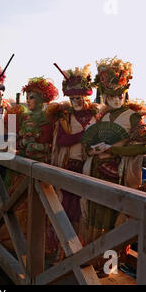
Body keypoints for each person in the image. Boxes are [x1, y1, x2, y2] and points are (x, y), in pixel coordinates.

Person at [80, 57, 146, 269]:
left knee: (113, 221)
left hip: (117, 175)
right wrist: (91, 149)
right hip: (96, 173)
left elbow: (143, 146)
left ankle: (110, 266)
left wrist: (114, 149)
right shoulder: (102, 118)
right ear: (104, 95)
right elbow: (89, 142)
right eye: (111, 96)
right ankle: (95, 262)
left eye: (119, 95)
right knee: (94, 217)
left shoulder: (132, 117)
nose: (116, 99)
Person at [0, 76, 59, 252]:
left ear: (42, 98)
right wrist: (22, 144)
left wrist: (38, 146)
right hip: (22, 168)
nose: (28, 100)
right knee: (16, 205)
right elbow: (15, 141)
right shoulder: (22, 117)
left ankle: (34, 247)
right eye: (27, 96)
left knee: (38, 208)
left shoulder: (52, 118)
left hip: (42, 170)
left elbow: (56, 145)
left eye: (32, 97)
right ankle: (15, 242)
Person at [50, 64, 100, 249]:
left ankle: (84, 248)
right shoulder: (65, 117)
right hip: (70, 166)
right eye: (72, 99)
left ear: (86, 97)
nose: (75, 102)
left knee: (84, 210)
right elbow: (62, 140)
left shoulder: (97, 116)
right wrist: (83, 135)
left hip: (91, 168)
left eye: (78, 98)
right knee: (66, 208)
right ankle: (64, 248)